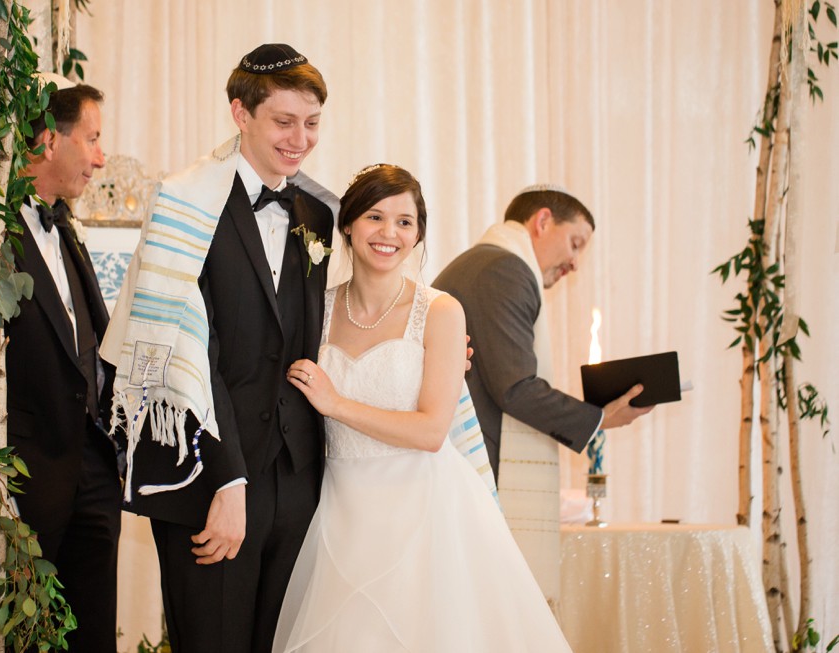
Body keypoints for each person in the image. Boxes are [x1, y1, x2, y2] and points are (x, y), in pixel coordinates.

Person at [272, 164, 571, 652]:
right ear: (347, 224)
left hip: (424, 509)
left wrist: (337, 403)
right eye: (375, 216)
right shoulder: (315, 309)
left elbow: (433, 430)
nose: (389, 233)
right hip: (337, 509)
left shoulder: (441, 311)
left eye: (405, 222)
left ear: (418, 234)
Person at [101, 44, 336, 652]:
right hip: (211, 476)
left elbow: (333, 323)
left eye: (311, 123)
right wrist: (227, 483)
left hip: (299, 477)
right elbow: (185, 354)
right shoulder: (186, 204)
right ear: (240, 113)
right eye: (284, 122)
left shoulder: (316, 212)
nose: (300, 139)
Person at [0, 78, 122, 652]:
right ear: (48, 141)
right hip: (19, 486)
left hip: (93, 476)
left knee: (92, 637)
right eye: (93, 138)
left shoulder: (69, 233)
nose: (102, 157)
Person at [433, 184, 652, 607]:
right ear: (543, 221)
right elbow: (515, 389)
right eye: (575, 243)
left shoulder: (484, 262)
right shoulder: (504, 269)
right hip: (472, 464)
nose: (574, 262)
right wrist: (600, 417)